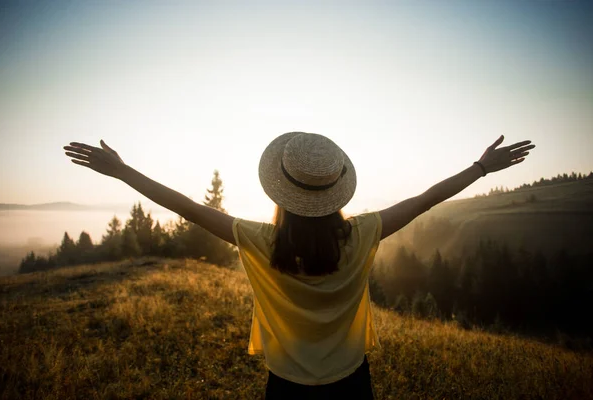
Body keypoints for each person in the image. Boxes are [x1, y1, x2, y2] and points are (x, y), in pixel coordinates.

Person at [63, 132, 534, 399]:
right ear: (336, 192)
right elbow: (426, 199)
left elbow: (186, 207)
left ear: (280, 193)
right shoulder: (364, 233)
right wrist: (480, 168)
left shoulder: (259, 240)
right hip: (352, 381)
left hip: (286, 384)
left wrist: (122, 171)